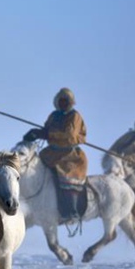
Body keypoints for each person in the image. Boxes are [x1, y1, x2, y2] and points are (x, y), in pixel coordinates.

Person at [23, 87, 88, 222]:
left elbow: (70, 136)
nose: (63, 104)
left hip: (69, 154)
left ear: (70, 102)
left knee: (66, 178)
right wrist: (37, 133)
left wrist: (48, 134)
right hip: (51, 152)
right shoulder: (54, 115)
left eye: (66, 101)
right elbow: (46, 129)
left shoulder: (74, 116)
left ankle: (72, 209)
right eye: (61, 101)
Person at [108, 115, 135, 213]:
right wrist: (116, 156)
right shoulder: (129, 136)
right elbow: (115, 147)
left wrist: (130, 159)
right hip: (121, 161)